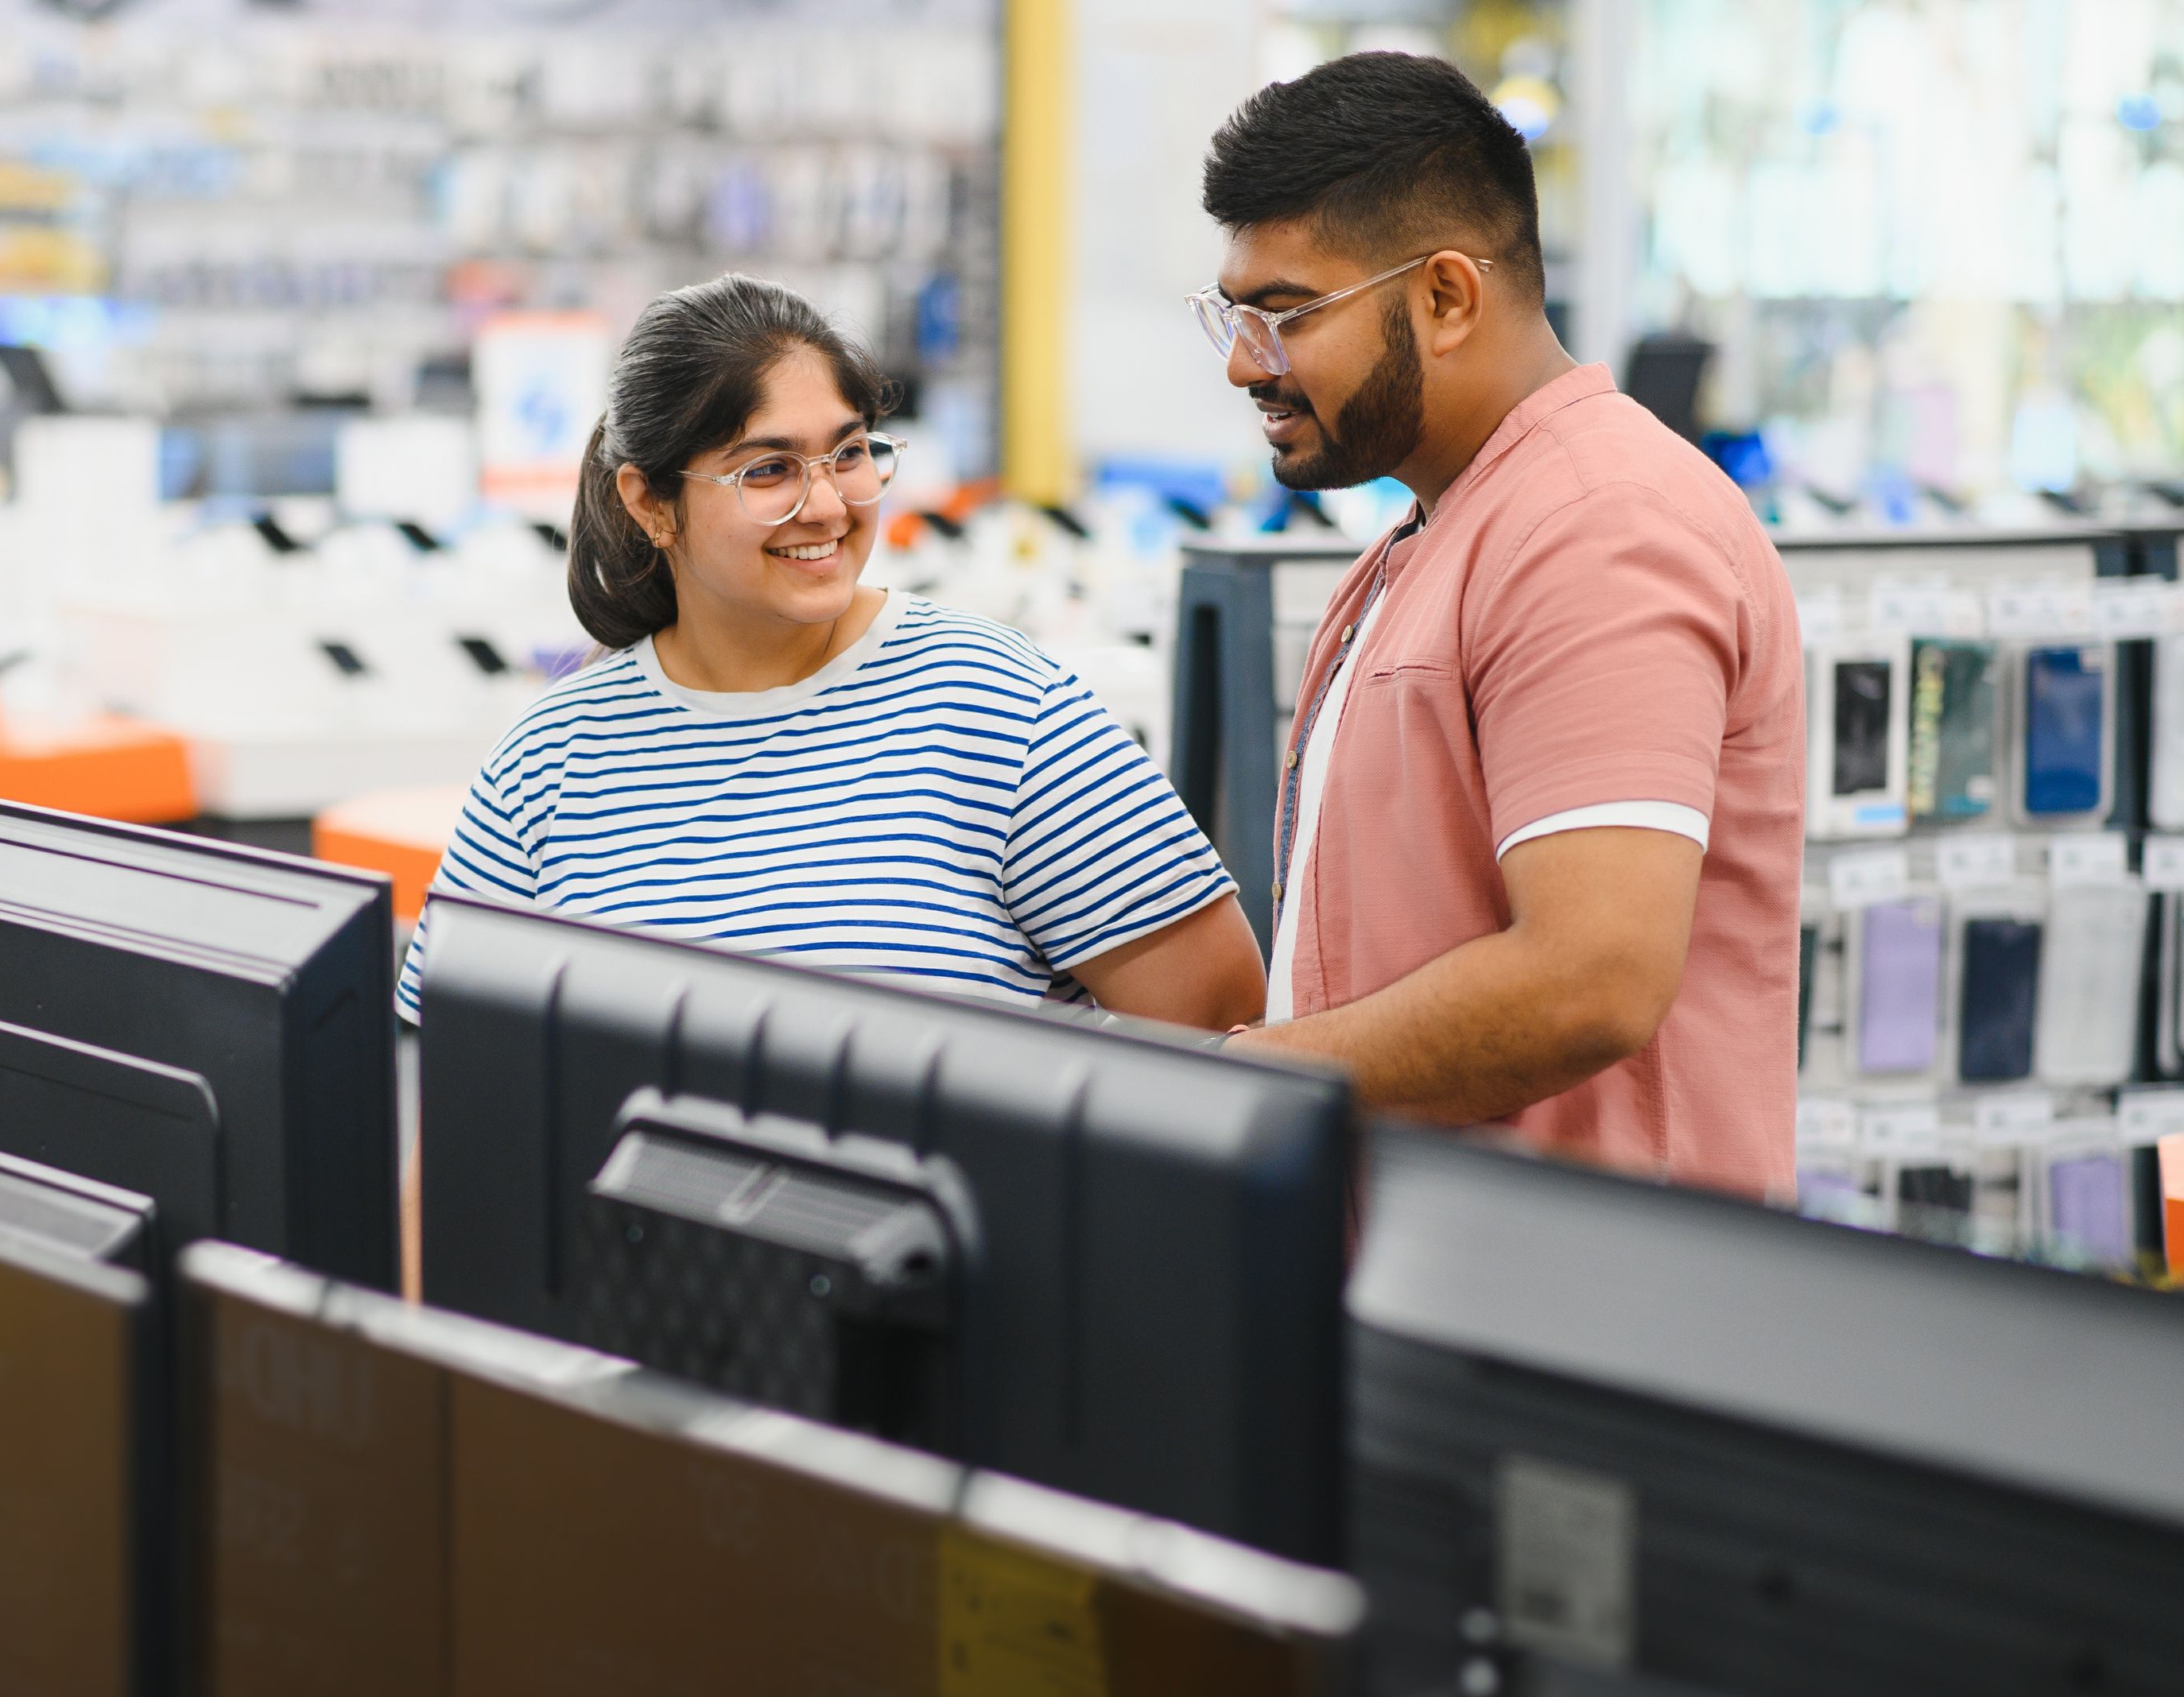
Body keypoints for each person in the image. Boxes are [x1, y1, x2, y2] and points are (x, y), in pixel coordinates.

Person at [1194, 53, 1802, 1199]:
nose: (1243, 364)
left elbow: (1591, 978)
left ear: (1445, 297)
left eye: (1283, 317)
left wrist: (1243, 1077)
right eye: (1230, 316)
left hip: (1586, 1318)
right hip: (1462, 1286)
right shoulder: (1448, 526)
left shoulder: (1598, 527)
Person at [398, 273, 1263, 1029]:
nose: (827, 505)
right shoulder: (550, 759)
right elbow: (449, 1088)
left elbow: (1222, 1024)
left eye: (848, 453)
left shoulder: (996, 703)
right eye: (767, 470)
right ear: (650, 504)